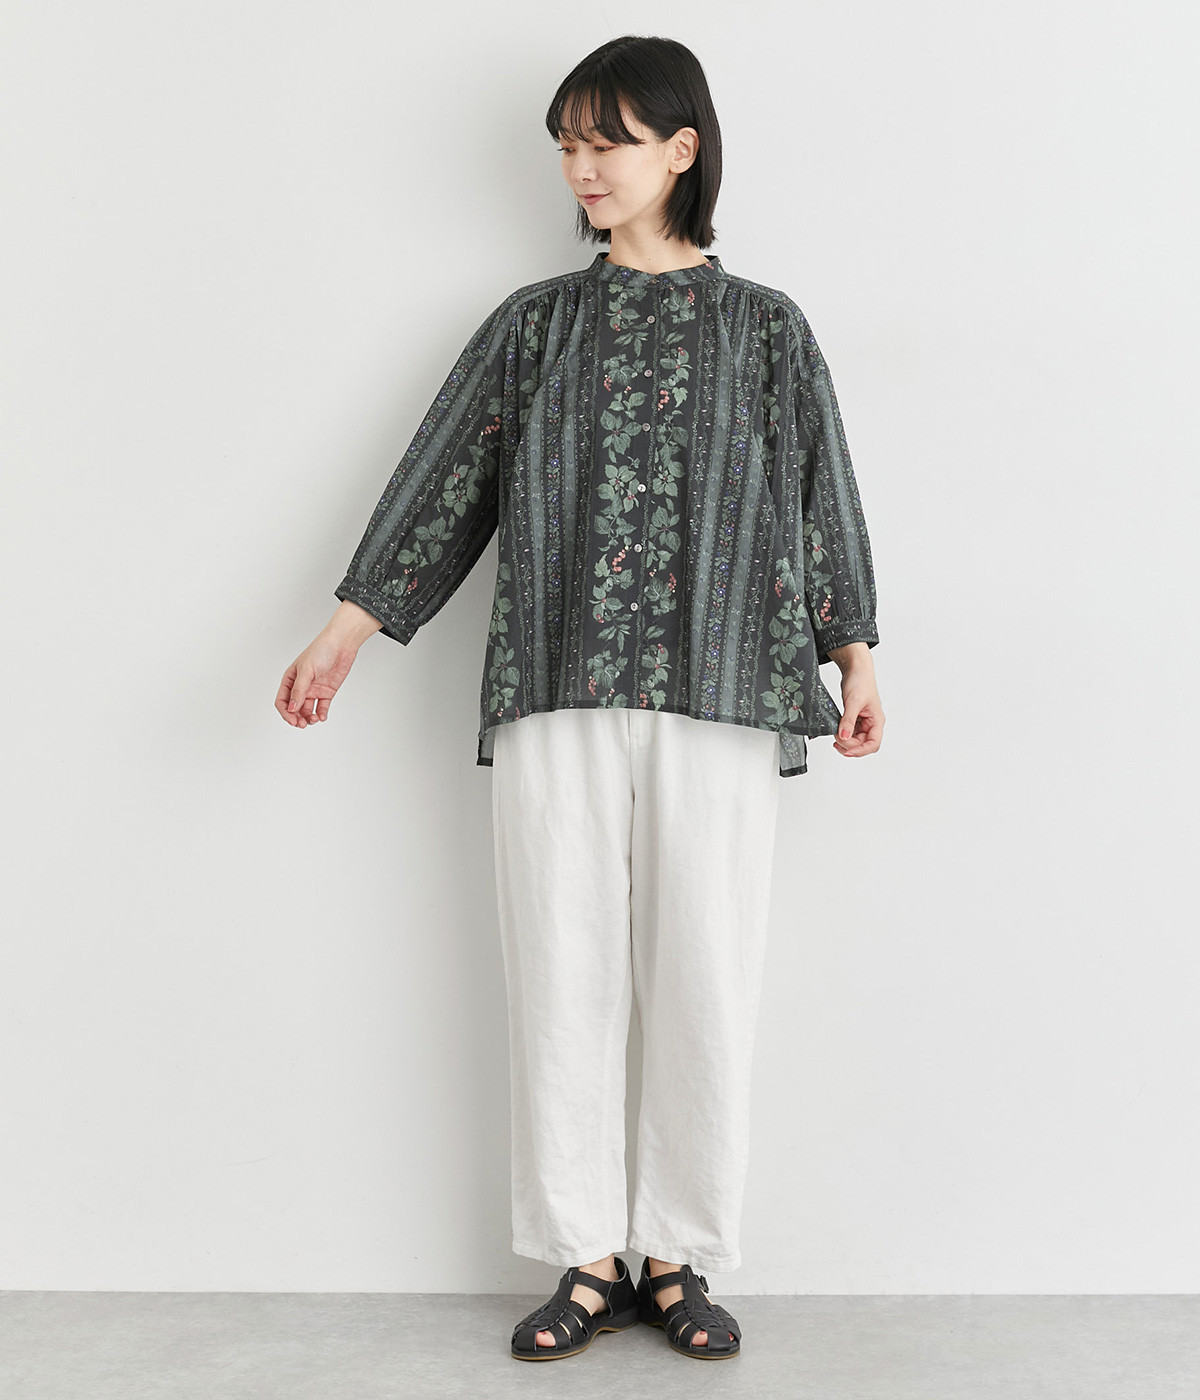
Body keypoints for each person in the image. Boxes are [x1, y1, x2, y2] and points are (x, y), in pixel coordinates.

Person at [277, 35, 884, 1364]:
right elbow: (446, 482)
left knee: (706, 967)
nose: (582, 167)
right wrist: (346, 632)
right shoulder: (535, 325)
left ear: (682, 149)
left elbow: (818, 490)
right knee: (561, 963)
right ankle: (585, 1256)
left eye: (607, 141)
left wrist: (854, 654)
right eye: (568, 144)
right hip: (556, 681)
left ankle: (678, 1254)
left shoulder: (767, 328)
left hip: (727, 684)